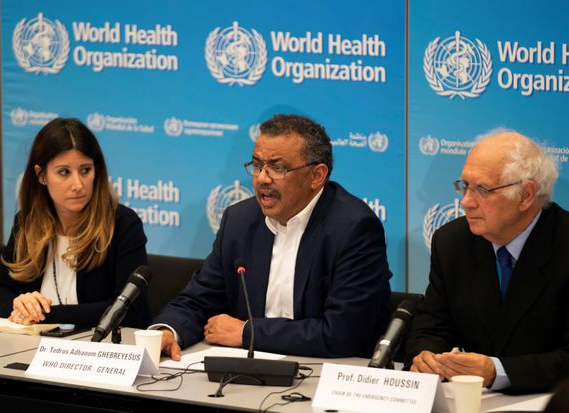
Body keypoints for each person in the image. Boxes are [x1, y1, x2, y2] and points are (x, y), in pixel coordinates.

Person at [153, 114, 392, 359]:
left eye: (277, 168)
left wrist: (248, 333)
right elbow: (199, 300)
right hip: (246, 372)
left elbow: (342, 334)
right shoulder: (239, 220)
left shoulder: (354, 228)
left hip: (325, 371)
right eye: (257, 166)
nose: (262, 179)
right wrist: (168, 331)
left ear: (316, 176)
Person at [405, 129, 569, 394]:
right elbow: (430, 328)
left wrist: (497, 371)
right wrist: (426, 358)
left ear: (526, 195)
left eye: (482, 189)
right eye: (465, 186)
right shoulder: (452, 242)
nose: (466, 202)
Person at [0, 117, 149, 328]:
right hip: (32, 342)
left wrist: (44, 314)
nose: (78, 184)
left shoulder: (122, 224)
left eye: (85, 170)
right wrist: (20, 305)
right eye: (64, 172)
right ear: (41, 175)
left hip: (96, 344)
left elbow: (130, 310)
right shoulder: (28, 222)